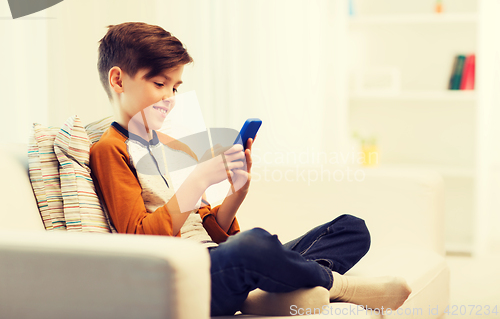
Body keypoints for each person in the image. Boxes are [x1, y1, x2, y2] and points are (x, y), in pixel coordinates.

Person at [90, 22, 412, 316]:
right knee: (254, 245)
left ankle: (274, 292)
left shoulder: (166, 145)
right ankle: (338, 286)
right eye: (160, 83)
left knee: (351, 229)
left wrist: (235, 194)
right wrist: (199, 179)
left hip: (216, 259)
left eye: (175, 88)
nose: (170, 98)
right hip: (184, 278)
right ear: (118, 79)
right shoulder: (110, 149)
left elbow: (204, 227)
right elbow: (139, 238)